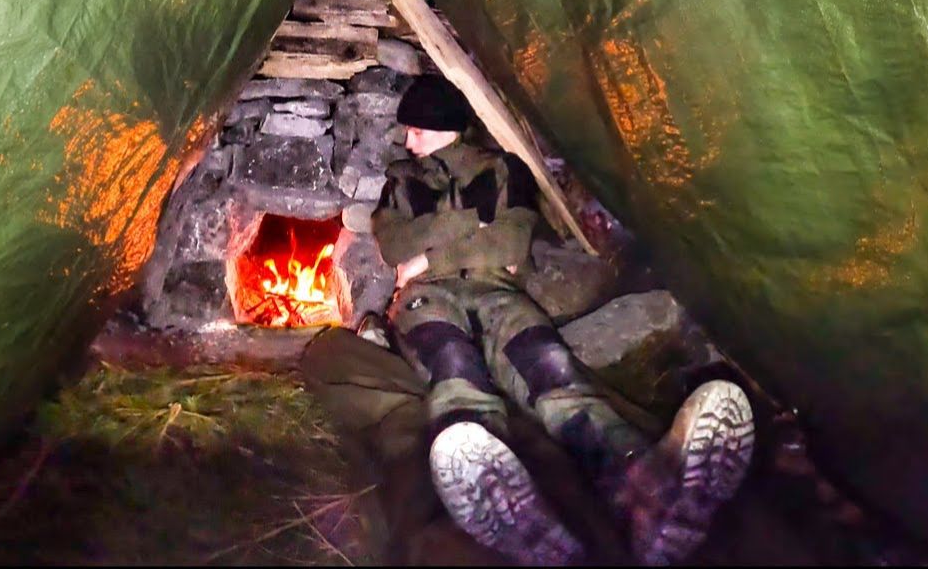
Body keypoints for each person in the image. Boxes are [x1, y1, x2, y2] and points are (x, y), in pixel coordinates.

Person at [303, 76, 755, 566]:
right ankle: (496, 498)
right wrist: (471, 221)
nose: (408, 142)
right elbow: (395, 246)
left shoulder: (504, 172)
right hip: (426, 298)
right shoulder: (400, 184)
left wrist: (431, 255)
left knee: (549, 367)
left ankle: (647, 488)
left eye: (417, 131)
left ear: (446, 128)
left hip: (496, 292)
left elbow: (512, 242)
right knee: (453, 369)